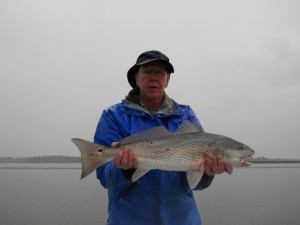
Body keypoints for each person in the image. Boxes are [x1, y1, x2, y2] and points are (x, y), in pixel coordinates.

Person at [94, 50, 233, 225]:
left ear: (167, 80)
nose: (154, 78)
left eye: (160, 72)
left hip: (182, 220)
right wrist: (124, 169)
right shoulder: (112, 116)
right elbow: (105, 178)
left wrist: (207, 172)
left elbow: (196, 184)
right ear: (136, 78)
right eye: (147, 72)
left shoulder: (186, 116)